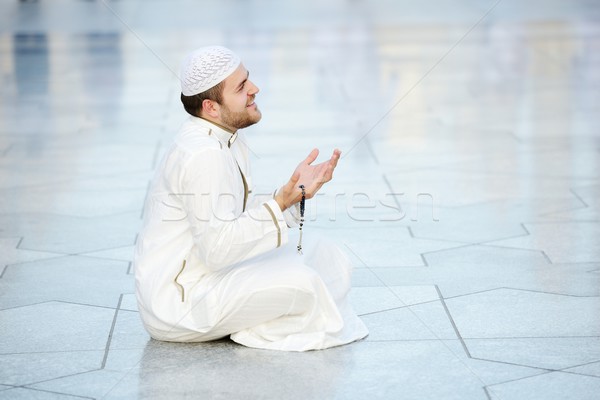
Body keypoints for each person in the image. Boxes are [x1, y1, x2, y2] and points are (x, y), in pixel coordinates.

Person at [134, 46, 368, 351]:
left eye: (249, 80)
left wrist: (292, 194)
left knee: (325, 253)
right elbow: (218, 250)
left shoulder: (225, 135)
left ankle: (257, 316)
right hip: (181, 303)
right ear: (211, 107)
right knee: (304, 285)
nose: (255, 90)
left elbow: (233, 218)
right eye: (242, 87)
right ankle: (251, 325)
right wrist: (280, 204)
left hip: (209, 273)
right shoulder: (202, 155)